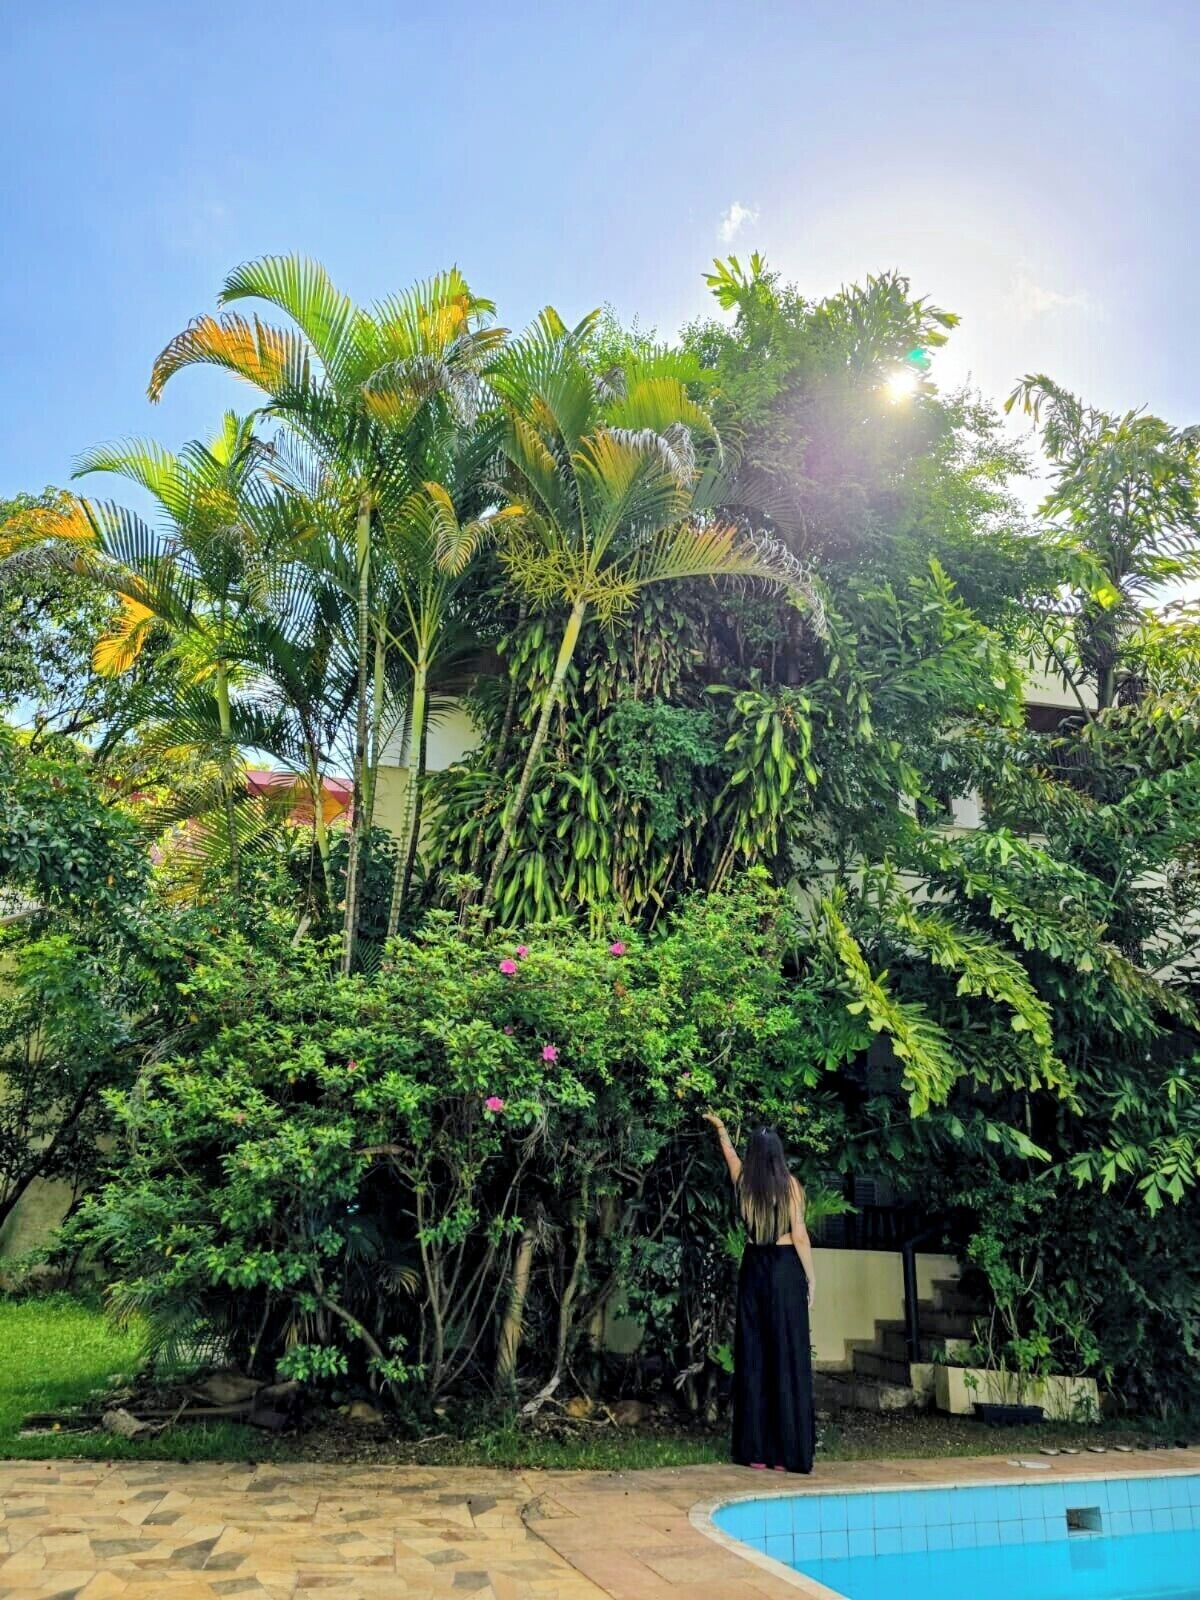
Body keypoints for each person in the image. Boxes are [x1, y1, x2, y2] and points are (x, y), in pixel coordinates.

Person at [703, 1112, 817, 1474]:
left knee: (754, 1356)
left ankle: (754, 1451)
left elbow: (731, 1158)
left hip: (753, 1268)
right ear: (779, 1154)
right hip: (785, 1270)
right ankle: (785, 1453)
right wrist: (811, 1278)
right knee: (786, 1355)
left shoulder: (744, 1184)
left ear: (753, 1154)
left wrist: (721, 1130)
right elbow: (799, 1235)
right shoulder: (791, 1187)